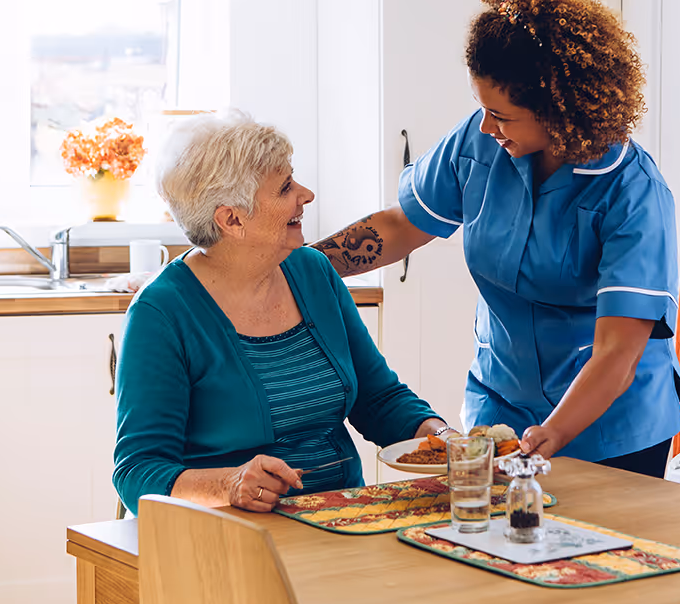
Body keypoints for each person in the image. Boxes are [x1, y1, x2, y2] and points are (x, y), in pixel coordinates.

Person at [313, 0, 680, 477]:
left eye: (503, 115)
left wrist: (554, 433)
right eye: (481, 108)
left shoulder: (632, 191)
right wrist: (301, 267)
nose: (487, 126)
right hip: (501, 408)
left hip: (609, 428)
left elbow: (618, 351)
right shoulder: (480, 140)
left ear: (560, 108)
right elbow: (401, 226)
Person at [113, 111, 450, 515]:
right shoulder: (162, 312)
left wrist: (441, 437)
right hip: (230, 536)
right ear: (232, 219)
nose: (305, 195)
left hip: (341, 518)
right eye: (286, 187)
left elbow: (378, 399)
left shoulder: (312, 271)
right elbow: (137, 471)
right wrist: (231, 484)